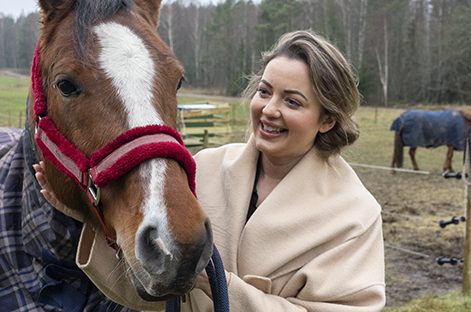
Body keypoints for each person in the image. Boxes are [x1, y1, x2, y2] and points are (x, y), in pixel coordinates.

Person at [34, 30, 386, 311]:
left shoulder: (354, 216)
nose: (270, 110)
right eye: (265, 92)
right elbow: (150, 295)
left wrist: (216, 283)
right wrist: (86, 216)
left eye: (292, 101)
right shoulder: (204, 168)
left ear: (327, 120)